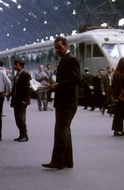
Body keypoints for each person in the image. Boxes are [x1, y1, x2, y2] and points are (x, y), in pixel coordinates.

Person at [42, 36, 81, 170]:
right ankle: (68, 161)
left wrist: (58, 85)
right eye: (56, 48)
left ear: (66, 45)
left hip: (67, 101)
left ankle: (58, 161)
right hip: (65, 101)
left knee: (60, 130)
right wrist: (55, 85)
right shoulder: (65, 59)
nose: (57, 50)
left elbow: (75, 79)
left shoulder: (71, 59)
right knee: (65, 131)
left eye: (60, 47)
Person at [10, 59, 31, 142]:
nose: (15, 66)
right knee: (17, 119)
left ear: (21, 66)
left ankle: (25, 135)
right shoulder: (17, 75)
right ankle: (21, 134)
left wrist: (25, 100)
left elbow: (28, 89)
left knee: (21, 118)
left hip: (22, 101)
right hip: (16, 100)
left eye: (16, 65)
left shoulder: (26, 75)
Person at [111, 57, 124, 136]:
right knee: (118, 114)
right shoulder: (117, 74)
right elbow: (115, 87)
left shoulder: (121, 74)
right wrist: (115, 98)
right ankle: (117, 130)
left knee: (122, 113)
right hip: (119, 97)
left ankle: (120, 129)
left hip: (123, 96)